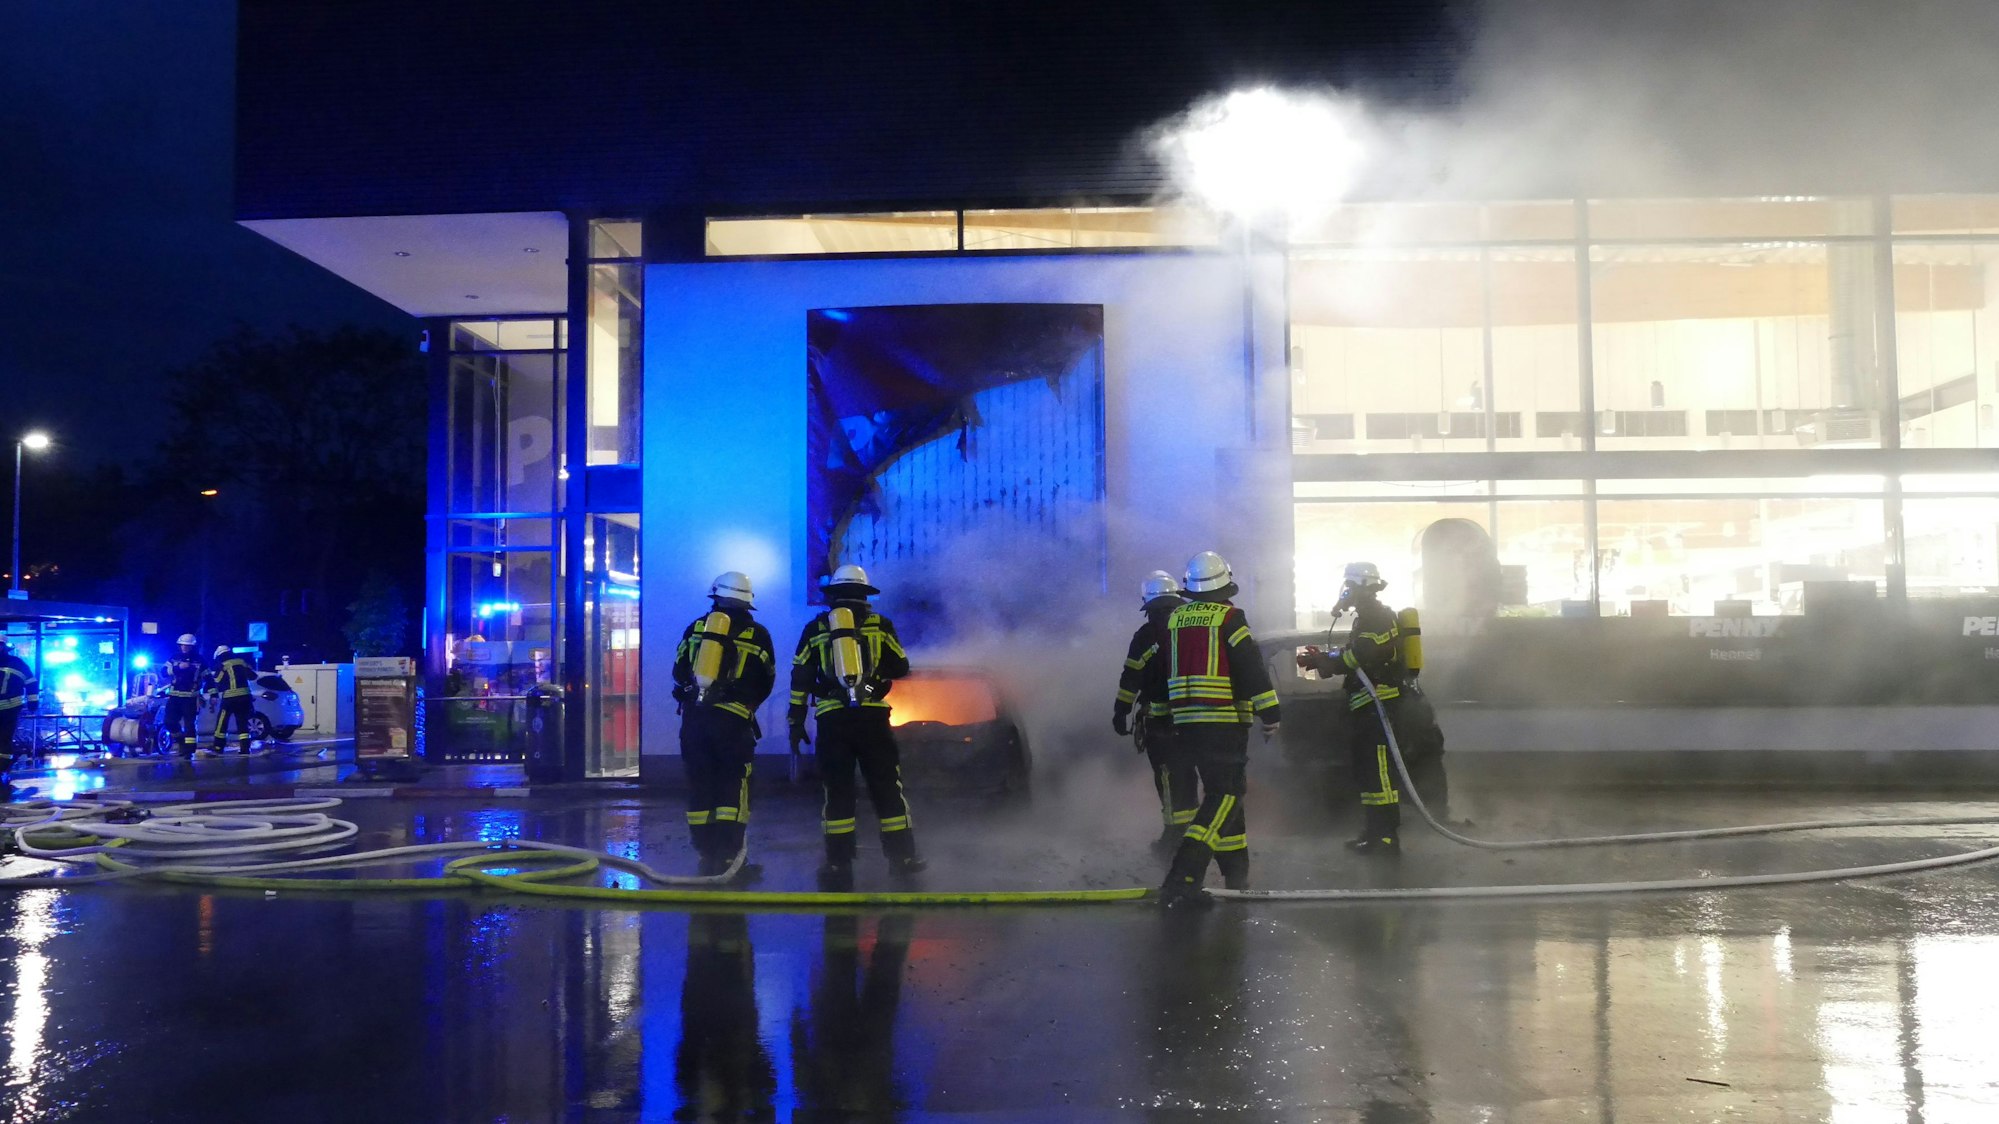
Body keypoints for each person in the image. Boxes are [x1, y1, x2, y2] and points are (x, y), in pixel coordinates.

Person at [1157, 551, 1281, 906]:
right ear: (1225, 584)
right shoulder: (1231, 618)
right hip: (1223, 720)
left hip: (1186, 722)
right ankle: (1183, 877)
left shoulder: (1175, 619)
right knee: (1224, 796)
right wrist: (1270, 712)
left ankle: (1235, 876)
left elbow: (1165, 670)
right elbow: (1250, 668)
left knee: (1224, 794)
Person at [789, 563, 922, 888]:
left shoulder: (817, 628)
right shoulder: (879, 624)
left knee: (837, 792)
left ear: (832, 594)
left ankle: (838, 863)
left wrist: (796, 719)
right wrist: (875, 683)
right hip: (872, 719)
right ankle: (902, 859)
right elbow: (901, 666)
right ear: (865, 594)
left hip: (833, 719)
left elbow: (801, 676)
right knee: (887, 788)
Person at [670, 571, 777, 879]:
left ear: (715, 596)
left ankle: (706, 854)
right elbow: (767, 679)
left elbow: (679, 671)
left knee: (700, 783)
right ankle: (731, 859)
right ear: (747, 602)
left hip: (695, 720)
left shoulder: (696, 629)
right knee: (734, 785)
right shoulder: (758, 635)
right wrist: (747, 702)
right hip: (733, 723)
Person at [1298, 562, 1407, 855]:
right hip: (1366, 708)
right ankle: (1373, 835)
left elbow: (1362, 655)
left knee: (1380, 775)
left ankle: (1386, 837)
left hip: (1380, 706)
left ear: (1358, 586)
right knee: (1369, 774)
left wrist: (1328, 663)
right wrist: (1324, 657)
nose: (1345, 592)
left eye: (1348, 587)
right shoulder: (1366, 618)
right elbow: (1352, 654)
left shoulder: (1379, 617)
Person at [1112, 570, 1198, 850]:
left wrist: (1121, 711)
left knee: (1167, 775)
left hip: (1161, 722)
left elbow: (1131, 676)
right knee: (1190, 773)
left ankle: (1174, 838)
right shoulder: (1193, 628)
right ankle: (1196, 834)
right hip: (1199, 719)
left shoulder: (1146, 635)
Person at [204, 645, 260, 756]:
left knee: (222, 723)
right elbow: (253, 676)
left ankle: (218, 747)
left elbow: (216, 681)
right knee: (243, 723)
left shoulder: (223, 665)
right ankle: (245, 749)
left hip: (230, 699)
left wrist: (212, 693)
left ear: (219, 655)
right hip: (244, 698)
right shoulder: (241, 662)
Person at [1, 637, 38, 800]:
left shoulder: (17, 663)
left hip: (10, 708)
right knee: (4, 740)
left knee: (4, 740)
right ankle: (3, 768)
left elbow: (31, 683)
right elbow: (31, 683)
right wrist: (32, 702)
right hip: (10, 708)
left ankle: (3, 768)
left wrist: (32, 701)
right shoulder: (17, 663)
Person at [161, 634, 205, 760]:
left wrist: (213, 695)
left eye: (187, 645)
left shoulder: (199, 660)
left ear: (192, 646)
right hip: (174, 696)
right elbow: (163, 672)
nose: (184, 647)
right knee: (169, 722)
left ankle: (189, 751)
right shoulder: (174, 658)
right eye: (183, 645)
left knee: (189, 725)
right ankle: (181, 741)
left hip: (191, 697)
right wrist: (177, 668)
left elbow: (208, 677)